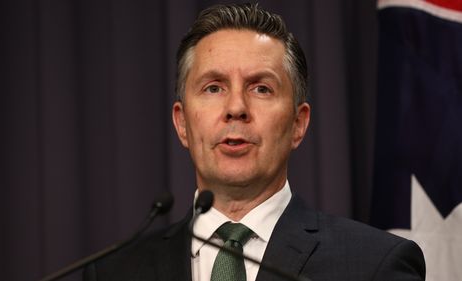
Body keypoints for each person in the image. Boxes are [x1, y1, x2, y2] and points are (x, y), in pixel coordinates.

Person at [84, 3, 425, 281]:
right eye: (213, 87)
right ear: (182, 123)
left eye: (261, 88)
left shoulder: (374, 265)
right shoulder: (114, 272)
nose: (236, 108)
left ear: (298, 124)